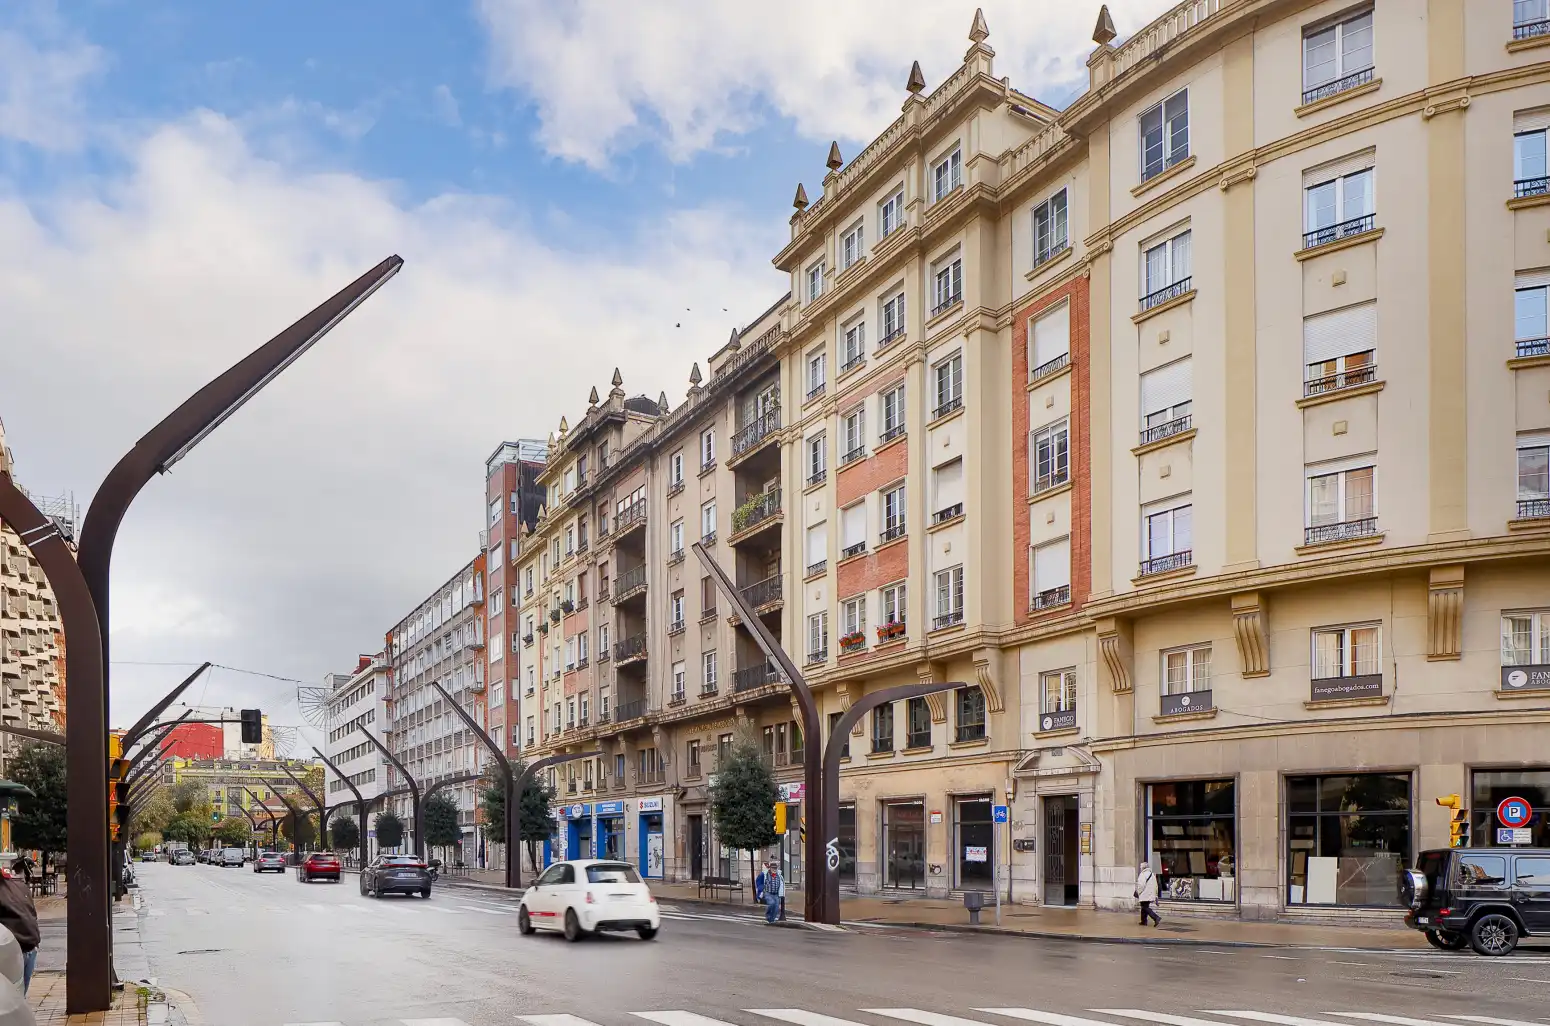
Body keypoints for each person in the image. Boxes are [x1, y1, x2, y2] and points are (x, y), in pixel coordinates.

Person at [0, 866, 40, 993]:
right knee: (17, 999)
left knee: (11, 999)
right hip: (30, 946)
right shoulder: (20, 886)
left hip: (15, 951)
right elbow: (32, 914)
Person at [1134, 860, 1161, 927]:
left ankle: (1156, 917)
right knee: (1144, 907)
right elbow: (1156, 885)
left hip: (1144, 894)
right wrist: (1156, 895)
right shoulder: (1152, 874)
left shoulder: (1143, 874)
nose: (1140, 868)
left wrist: (1138, 892)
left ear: (1143, 868)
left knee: (1145, 907)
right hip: (1150, 894)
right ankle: (1144, 921)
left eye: (1141, 867)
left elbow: (1141, 885)